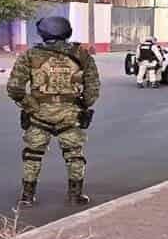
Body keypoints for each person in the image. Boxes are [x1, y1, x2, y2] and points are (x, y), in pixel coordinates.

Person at [7, 16, 101, 206]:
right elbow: (93, 87)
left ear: (43, 33)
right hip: (71, 115)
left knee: (32, 155)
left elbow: (15, 88)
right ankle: (75, 195)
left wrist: (30, 106)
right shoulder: (82, 55)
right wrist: (83, 105)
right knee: (74, 155)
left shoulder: (30, 55)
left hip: (39, 115)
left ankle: (27, 196)